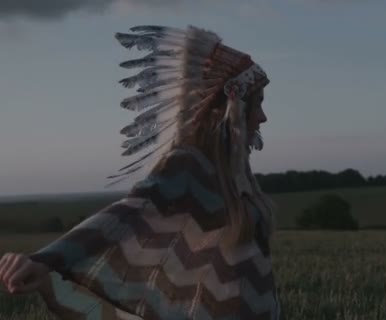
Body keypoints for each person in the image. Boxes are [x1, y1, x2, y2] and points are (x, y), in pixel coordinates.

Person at [0, 25, 281, 319]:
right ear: (229, 108)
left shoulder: (234, 172)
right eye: (257, 103)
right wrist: (45, 261)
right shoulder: (189, 164)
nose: (263, 116)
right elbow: (128, 213)